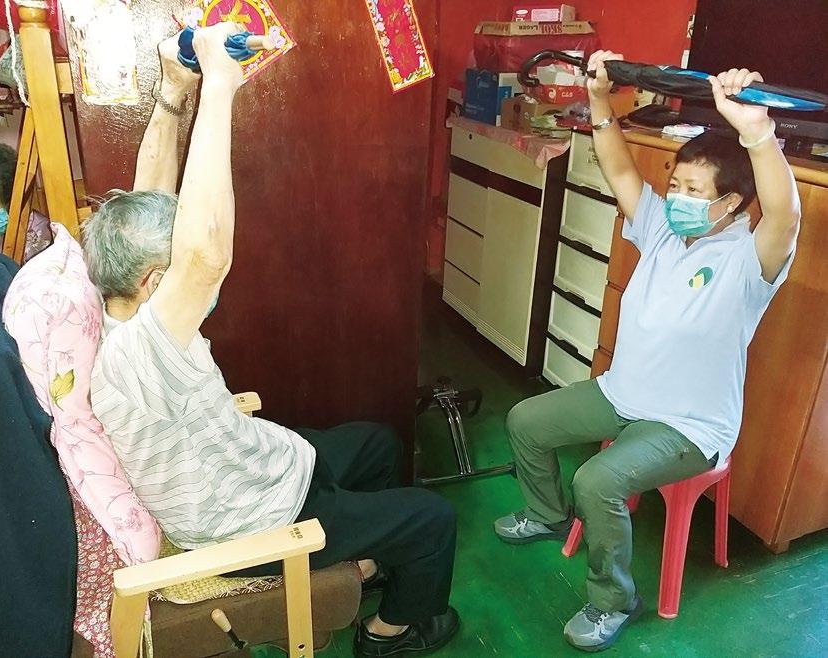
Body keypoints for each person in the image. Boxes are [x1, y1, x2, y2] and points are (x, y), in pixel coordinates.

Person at [81, 24, 459, 658]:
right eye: (173, 267)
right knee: (434, 518)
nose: (187, 271)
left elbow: (149, 202)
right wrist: (220, 85)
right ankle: (392, 630)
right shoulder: (139, 355)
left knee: (379, 444)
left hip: (257, 467)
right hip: (252, 518)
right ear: (155, 282)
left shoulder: (119, 307)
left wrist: (174, 91)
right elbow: (204, 255)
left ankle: (365, 564)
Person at [494, 50, 800, 652]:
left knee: (597, 480)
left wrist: (758, 133)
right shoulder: (662, 228)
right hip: (621, 395)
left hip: (688, 425)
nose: (677, 196)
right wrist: (599, 99)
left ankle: (613, 600)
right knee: (525, 421)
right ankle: (547, 513)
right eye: (676, 184)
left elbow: (785, 216)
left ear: (731, 203)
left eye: (693, 190)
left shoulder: (749, 260)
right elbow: (620, 171)